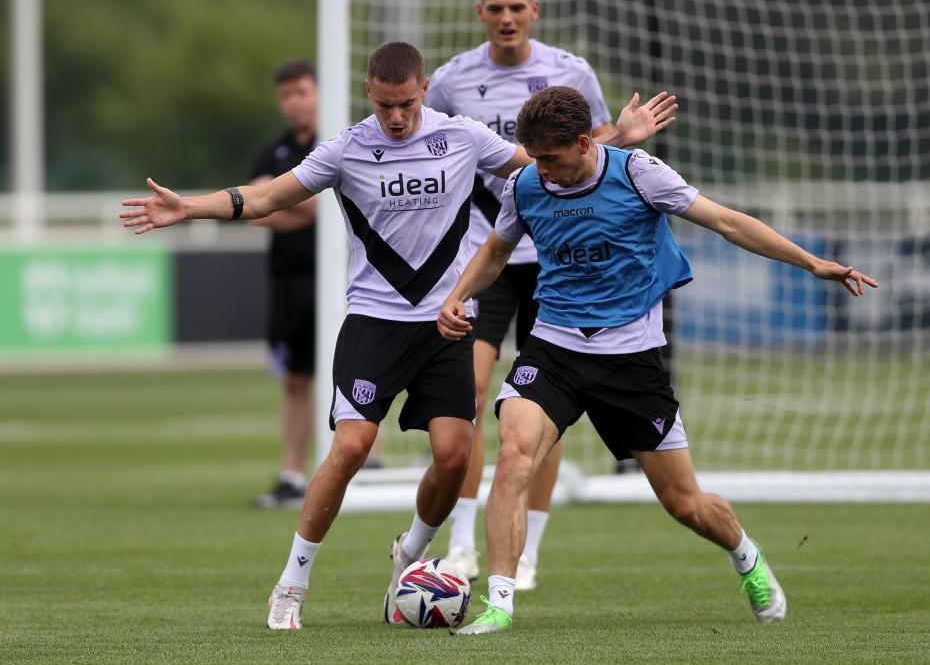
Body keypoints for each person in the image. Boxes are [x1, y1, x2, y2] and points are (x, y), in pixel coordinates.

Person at [119, 44, 674, 630]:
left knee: (454, 457)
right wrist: (189, 208)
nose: (397, 117)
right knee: (353, 447)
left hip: (445, 325)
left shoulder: (462, 137)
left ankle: (409, 554)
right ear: (369, 94)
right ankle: (292, 582)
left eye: (407, 103)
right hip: (375, 323)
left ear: (425, 89)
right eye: (386, 106)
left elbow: (545, 165)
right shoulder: (346, 148)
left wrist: (620, 139)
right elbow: (265, 197)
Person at [437, 86, 878, 634]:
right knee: (514, 456)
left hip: (631, 360)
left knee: (685, 504)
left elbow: (727, 222)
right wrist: (458, 296)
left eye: (549, 158)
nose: (540, 169)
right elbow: (497, 250)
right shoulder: (526, 184)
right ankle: (499, 604)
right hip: (554, 347)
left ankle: (746, 555)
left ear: (582, 143)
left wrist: (812, 263)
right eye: (534, 158)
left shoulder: (639, 173)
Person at [425, 0, 674, 588]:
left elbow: (593, 151)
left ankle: (528, 552)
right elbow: (429, 148)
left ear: (534, 10)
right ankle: (461, 546)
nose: (506, 18)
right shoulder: (452, 81)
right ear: (479, 13)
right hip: (493, 256)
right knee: (470, 398)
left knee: (545, 410)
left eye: (516, 7)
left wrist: (627, 134)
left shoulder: (571, 73)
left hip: (562, 266)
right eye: (494, 8)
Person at [247, 59, 319, 509]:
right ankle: (292, 473)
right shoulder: (269, 153)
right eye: (286, 95)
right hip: (288, 282)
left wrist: (278, 205)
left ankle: (369, 462)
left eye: (302, 92)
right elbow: (256, 211)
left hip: (336, 278)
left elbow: (313, 206)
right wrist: (286, 205)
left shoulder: (337, 145)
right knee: (294, 378)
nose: (294, 102)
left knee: (352, 375)